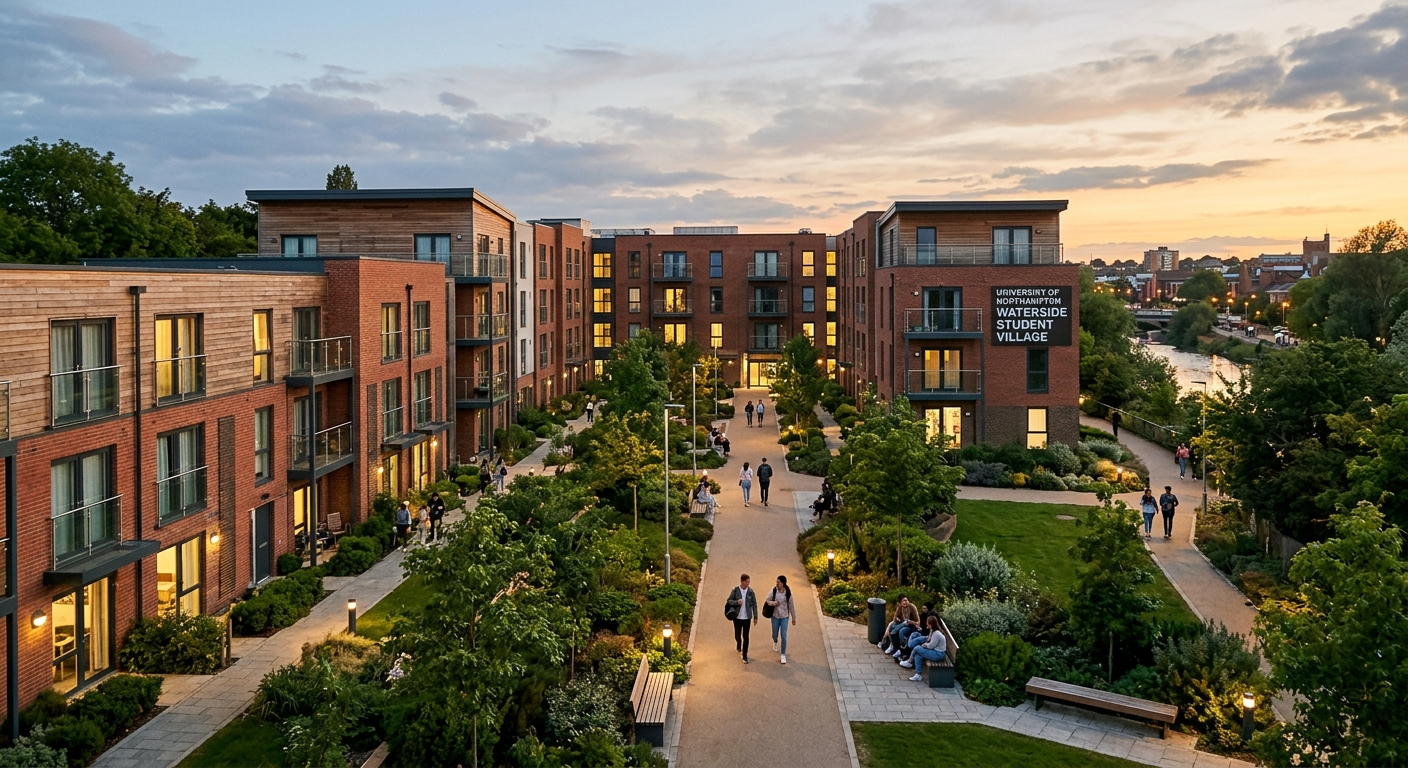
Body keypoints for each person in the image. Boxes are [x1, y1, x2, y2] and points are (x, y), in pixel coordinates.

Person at [725, 574, 759, 664]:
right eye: (746, 581)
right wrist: (737, 602)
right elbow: (729, 601)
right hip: (737, 617)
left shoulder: (751, 592)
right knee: (737, 634)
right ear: (742, 581)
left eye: (748, 581)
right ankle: (738, 643)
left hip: (747, 617)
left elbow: (754, 604)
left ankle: (745, 655)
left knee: (746, 637)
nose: (748, 583)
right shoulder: (735, 590)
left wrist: (755, 616)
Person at [902, 616, 947, 681]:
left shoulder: (936, 633)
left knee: (917, 648)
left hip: (938, 654)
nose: (926, 624)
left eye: (927, 623)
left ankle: (909, 661)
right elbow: (930, 641)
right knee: (918, 654)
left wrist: (925, 645)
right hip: (935, 651)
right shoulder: (933, 631)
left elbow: (931, 646)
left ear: (931, 624)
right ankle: (918, 675)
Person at [765, 575, 797, 664]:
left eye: (779, 582)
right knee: (775, 633)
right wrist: (773, 603)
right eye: (777, 582)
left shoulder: (788, 593)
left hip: (784, 617)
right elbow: (768, 600)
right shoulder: (774, 591)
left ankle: (783, 654)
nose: (777, 584)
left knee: (783, 635)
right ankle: (775, 641)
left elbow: (791, 606)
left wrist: (794, 618)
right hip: (775, 616)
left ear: (783, 583)